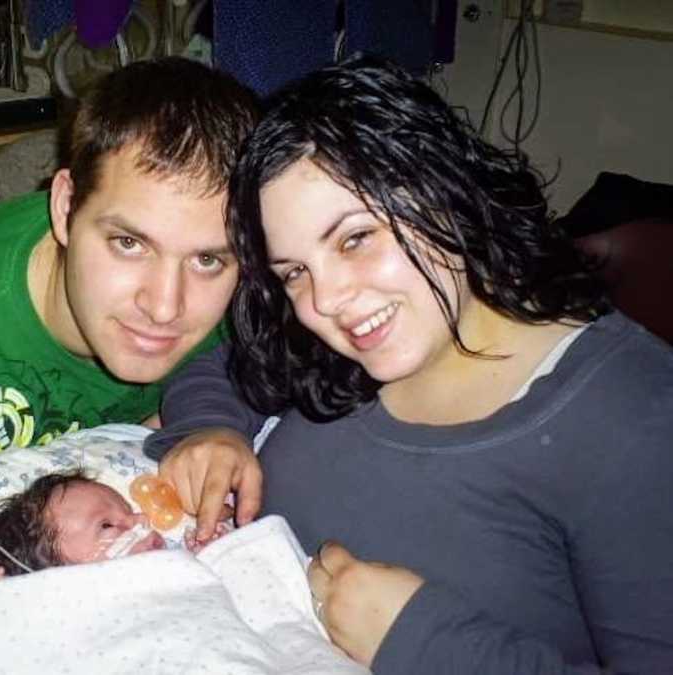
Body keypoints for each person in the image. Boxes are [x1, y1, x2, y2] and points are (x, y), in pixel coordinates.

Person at [145, 57, 673, 672]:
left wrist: (423, 641)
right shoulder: (364, 338)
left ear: (441, 190)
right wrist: (214, 429)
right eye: (294, 272)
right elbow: (225, 369)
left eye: (354, 238)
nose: (326, 301)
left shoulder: (636, 418)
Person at [0, 57, 258, 522]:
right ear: (65, 207)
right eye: (129, 243)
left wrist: (215, 424)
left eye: (207, 259)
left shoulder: (250, 289)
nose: (163, 307)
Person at [0, 470, 228, 587]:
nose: (140, 521)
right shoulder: (70, 604)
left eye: (128, 510)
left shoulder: (174, 561)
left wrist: (212, 552)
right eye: (107, 525)